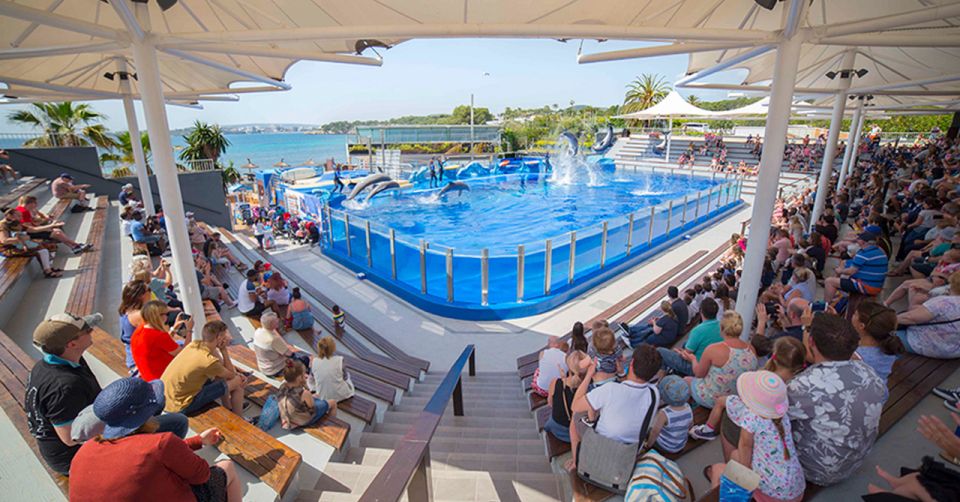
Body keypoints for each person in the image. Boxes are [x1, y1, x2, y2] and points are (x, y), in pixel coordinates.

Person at [67, 378, 242, 502]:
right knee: (227, 467)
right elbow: (202, 475)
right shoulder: (161, 443)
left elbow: (144, 458)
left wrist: (198, 441)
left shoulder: (85, 450)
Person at [788, 311, 887, 486]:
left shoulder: (804, 385)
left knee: (743, 419)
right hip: (853, 462)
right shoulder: (868, 372)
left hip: (818, 470)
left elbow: (771, 414)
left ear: (810, 341)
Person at [705, 371, 806, 502]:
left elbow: (745, 447)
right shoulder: (783, 416)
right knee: (736, 456)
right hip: (797, 492)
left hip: (773, 497)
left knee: (720, 467)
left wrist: (741, 479)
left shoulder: (752, 419)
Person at [25, 313, 104, 475]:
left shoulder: (69, 361)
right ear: (72, 344)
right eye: (87, 331)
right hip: (73, 458)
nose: (92, 330)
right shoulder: (64, 386)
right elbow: (71, 438)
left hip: (86, 428)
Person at [566, 344, 661, 472]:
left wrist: (589, 375)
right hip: (629, 452)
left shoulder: (610, 390)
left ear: (631, 363)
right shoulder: (654, 393)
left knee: (575, 419)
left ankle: (576, 462)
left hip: (603, 450)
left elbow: (575, 405)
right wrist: (621, 374)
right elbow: (630, 390)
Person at [161, 321, 247, 415]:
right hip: (181, 406)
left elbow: (222, 369)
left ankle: (228, 408)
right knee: (238, 382)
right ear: (219, 338)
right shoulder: (208, 361)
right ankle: (239, 417)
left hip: (167, 400)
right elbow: (231, 375)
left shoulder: (194, 345)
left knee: (221, 376)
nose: (227, 338)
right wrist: (223, 350)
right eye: (225, 336)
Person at [686, 311, 758, 409]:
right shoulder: (751, 349)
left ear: (722, 328)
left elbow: (699, 374)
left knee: (686, 380)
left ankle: (687, 411)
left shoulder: (713, 349)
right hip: (734, 398)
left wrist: (693, 359)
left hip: (712, 399)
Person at [896, 271, 960, 360]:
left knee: (882, 334)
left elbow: (910, 318)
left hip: (931, 347)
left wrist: (887, 319)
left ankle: (884, 368)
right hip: (955, 350)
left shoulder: (943, 302)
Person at [131, 301, 193, 382]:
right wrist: (189, 330)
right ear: (159, 317)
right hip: (163, 378)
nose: (168, 316)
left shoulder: (140, 330)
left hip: (148, 376)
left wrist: (174, 328)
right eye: (166, 314)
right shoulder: (158, 335)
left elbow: (162, 343)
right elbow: (184, 353)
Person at [658, 297, 721, 377]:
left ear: (701, 311)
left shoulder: (698, 330)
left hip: (697, 367)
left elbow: (686, 355)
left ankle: (661, 381)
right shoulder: (722, 325)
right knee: (685, 343)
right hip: (712, 363)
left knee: (660, 351)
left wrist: (679, 352)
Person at [824, 229, 889, 303]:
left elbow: (851, 271)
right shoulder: (879, 251)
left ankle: (826, 306)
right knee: (843, 266)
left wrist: (840, 271)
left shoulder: (864, 253)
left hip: (867, 286)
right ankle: (835, 294)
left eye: (859, 239)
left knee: (829, 281)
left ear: (863, 242)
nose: (857, 241)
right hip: (876, 284)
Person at [15, 195, 91, 254]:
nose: (36, 205)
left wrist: (46, 224)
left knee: (58, 231)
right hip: (29, 233)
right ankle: (76, 246)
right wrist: (49, 226)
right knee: (57, 232)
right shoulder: (24, 212)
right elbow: (31, 229)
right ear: (30, 203)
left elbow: (33, 223)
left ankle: (75, 247)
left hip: (32, 230)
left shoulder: (21, 208)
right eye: (35, 203)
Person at [0, 208, 60, 277]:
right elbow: (4, 240)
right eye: (19, 216)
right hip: (8, 249)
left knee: (48, 246)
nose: (21, 218)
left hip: (18, 245)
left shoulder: (15, 222)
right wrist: (21, 239)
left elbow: (33, 230)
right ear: (10, 216)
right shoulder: (2, 225)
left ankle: (48, 268)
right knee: (43, 251)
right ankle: (48, 271)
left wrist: (51, 225)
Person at [278, 360, 337, 430]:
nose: (305, 375)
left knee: (315, 397)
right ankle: (332, 425)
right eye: (304, 374)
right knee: (333, 402)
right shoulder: (304, 393)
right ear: (300, 378)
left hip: (287, 416)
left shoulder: (282, 387)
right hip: (302, 420)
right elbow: (312, 407)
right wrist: (306, 386)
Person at [543, 350, 587, 443]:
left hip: (556, 427)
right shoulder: (588, 389)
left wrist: (563, 379)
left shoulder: (555, 382)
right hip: (576, 432)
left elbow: (550, 403)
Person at [853, 301, 903, 381]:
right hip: (880, 390)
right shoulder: (890, 345)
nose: (853, 315)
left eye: (855, 314)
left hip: (861, 391)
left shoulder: (856, 356)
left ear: (861, 326)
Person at [253, 312, 311, 378]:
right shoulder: (273, 339)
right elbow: (289, 354)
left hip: (263, 366)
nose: (278, 320)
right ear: (272, 324)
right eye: (276, 320)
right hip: (274, 369)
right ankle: (305, 377)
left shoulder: (258, 332)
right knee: (305, 360)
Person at [646, 374, 693, 455]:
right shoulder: (688, 407)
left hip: (666, 446)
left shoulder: (665, 413)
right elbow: (691, 425)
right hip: (680, 445)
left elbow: (655, 432)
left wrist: (648, 445)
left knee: (648, 430)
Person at [308, 336, 356, 402]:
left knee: (311, 379)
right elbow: (345, 377)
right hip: (341, 395)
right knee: (347, 376)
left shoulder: (314, 361)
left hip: (323, 396)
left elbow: (311, 379)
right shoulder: (340, 360)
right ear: (333, 348)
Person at [118, 280, 151, 376]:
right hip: (140, 362)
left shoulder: (125, 311)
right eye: (148, 289)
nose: (150, 292)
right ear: (141, 296)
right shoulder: (140, 315)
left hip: (132, 357)